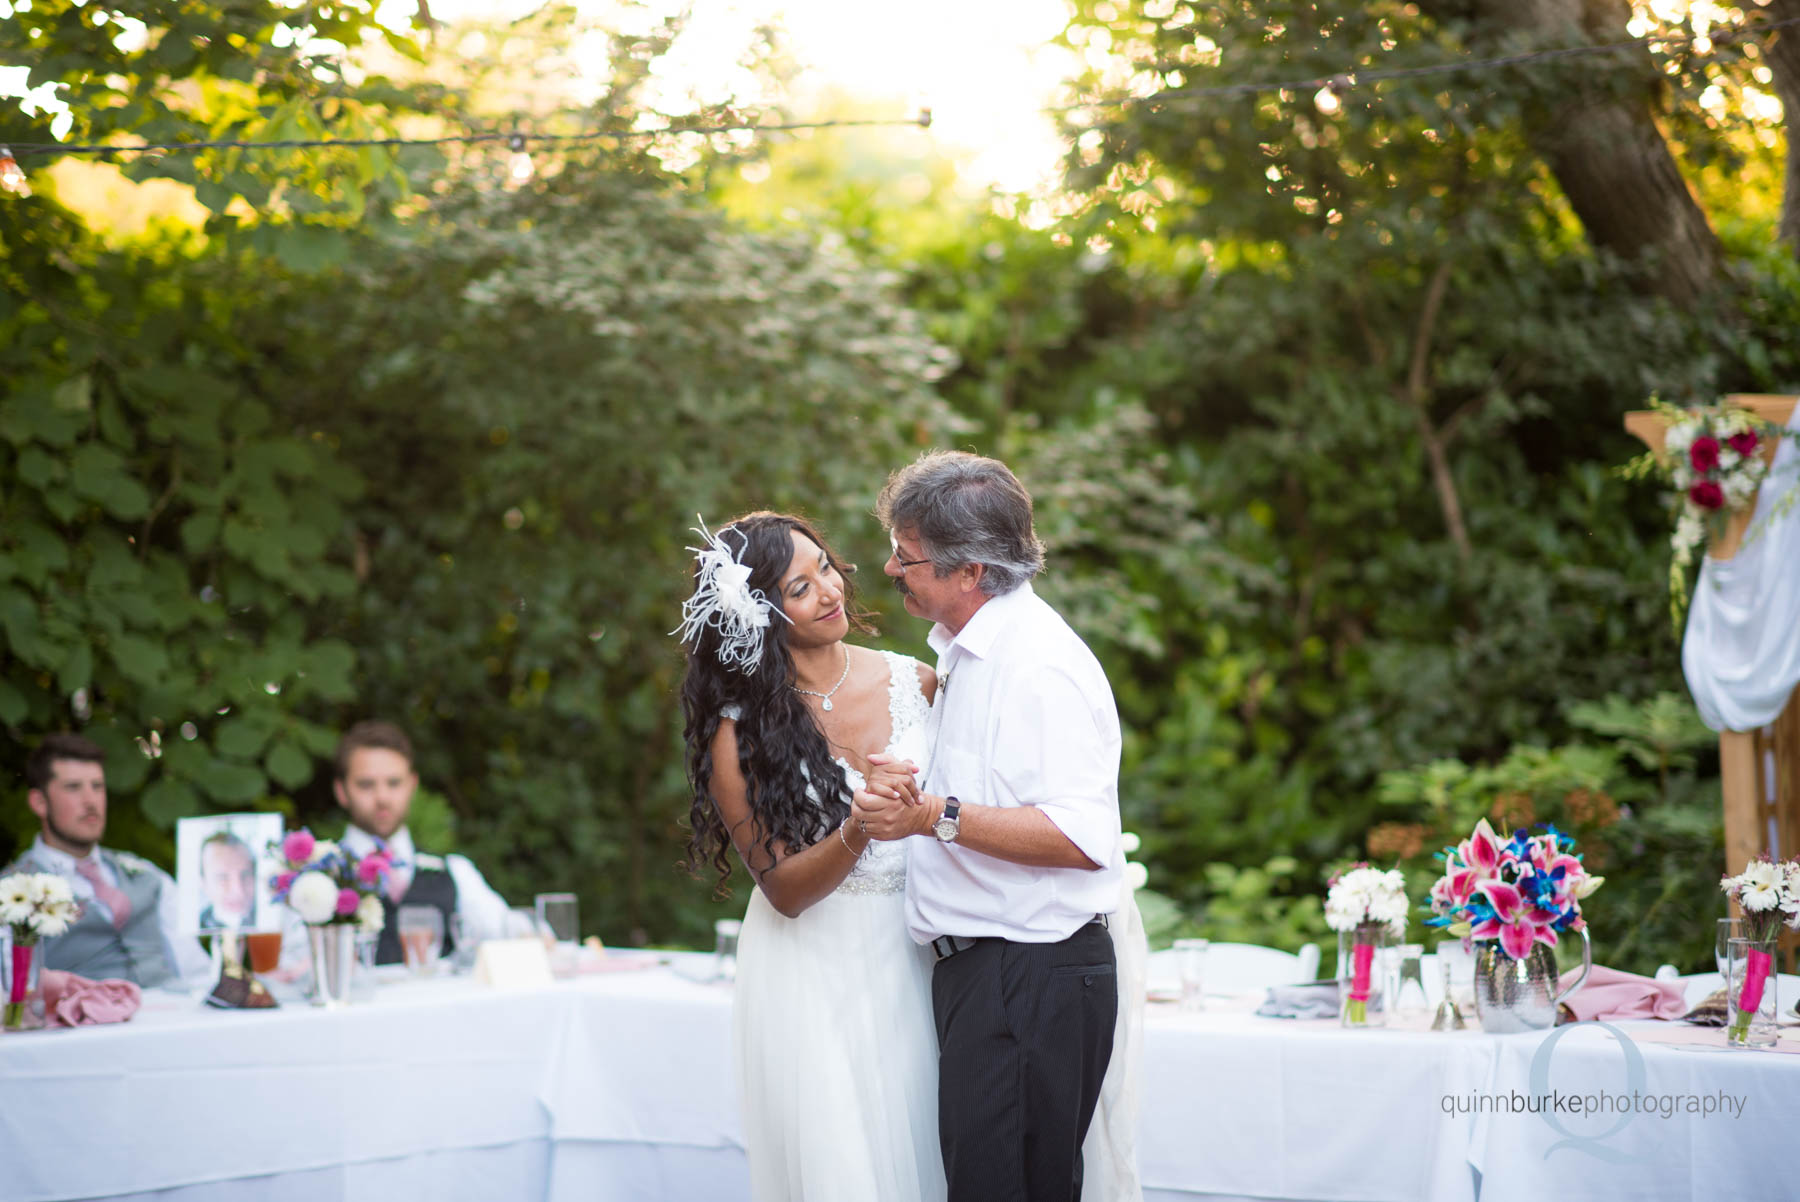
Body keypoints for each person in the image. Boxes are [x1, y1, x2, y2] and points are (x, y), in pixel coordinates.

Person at [855, 450, 1128, 1202]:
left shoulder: (1038, 667)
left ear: (970, 571)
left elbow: (1081, 838)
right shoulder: (972, 655)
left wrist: (933, 816)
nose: (891, 569)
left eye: (906, 558)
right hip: (994, 976)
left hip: (1030, 975)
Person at [678, 511, 945, 1202]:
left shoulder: (917, 682)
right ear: (761, 613)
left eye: (824, 567)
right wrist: (861, 826)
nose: (829, 591)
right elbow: (786, 892)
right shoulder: (739, 739)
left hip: (919, 953)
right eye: (800, 588)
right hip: (812, 974)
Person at [4, 733, 212, 989]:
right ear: (39, 802)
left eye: (97, 786)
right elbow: (13, 992)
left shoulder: (147, 876)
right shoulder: (11, 892)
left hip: (172, 1016)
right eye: (73, 787)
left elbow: (198, 973)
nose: (91, 801)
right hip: (82, 1025)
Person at [332, 720, 522, 965]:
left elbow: (507, 928)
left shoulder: (453, 871)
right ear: (341, 791)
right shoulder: (316, 878)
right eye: (366, 785)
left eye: (394, 783)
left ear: (412, 785)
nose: (382, 797)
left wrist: (533, 932)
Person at [196, 830, 258, 930]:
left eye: (245, 875)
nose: (238, 891)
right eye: (222, 877)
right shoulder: (194, 931)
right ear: (203, 883)